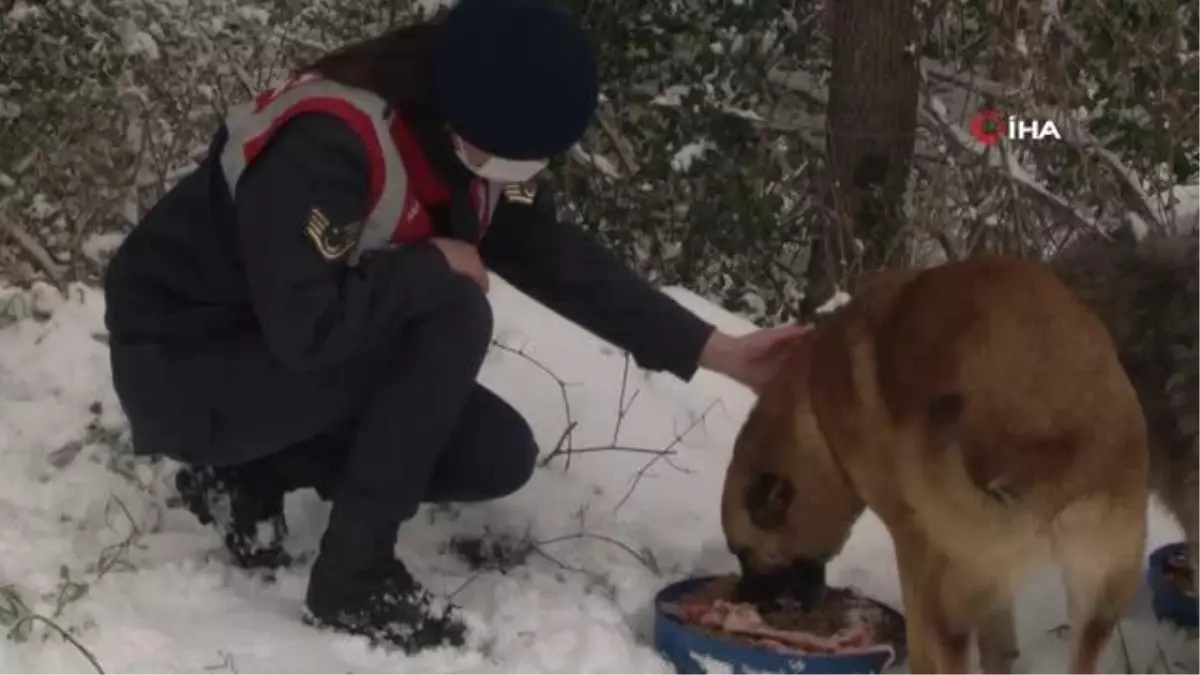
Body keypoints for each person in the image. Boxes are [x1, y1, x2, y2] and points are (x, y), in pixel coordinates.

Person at [102, 0, 807, 655]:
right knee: (453, 306)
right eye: (518, 156)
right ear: (464, 117)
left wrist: (721, 352)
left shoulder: (472, 139)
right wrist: (429, 266)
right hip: (186, 365)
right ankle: (354, 575)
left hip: (287, 360)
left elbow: (554, 257)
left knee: (491, 454)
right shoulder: (331, 144)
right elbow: (309, 330)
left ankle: (250, 471)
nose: (524, 173)